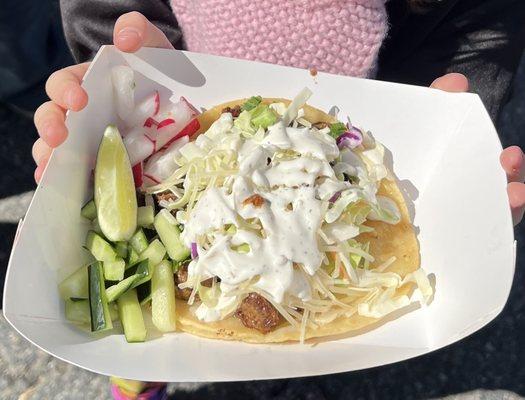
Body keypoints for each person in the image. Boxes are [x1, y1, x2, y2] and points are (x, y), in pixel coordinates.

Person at [30, 1, 525, 398]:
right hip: (202, 154)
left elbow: (470, 45)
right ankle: (137, 381)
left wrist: (446, 159)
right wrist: (125, 77)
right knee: (138, 350)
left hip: (330, 180)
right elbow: (104, 14)